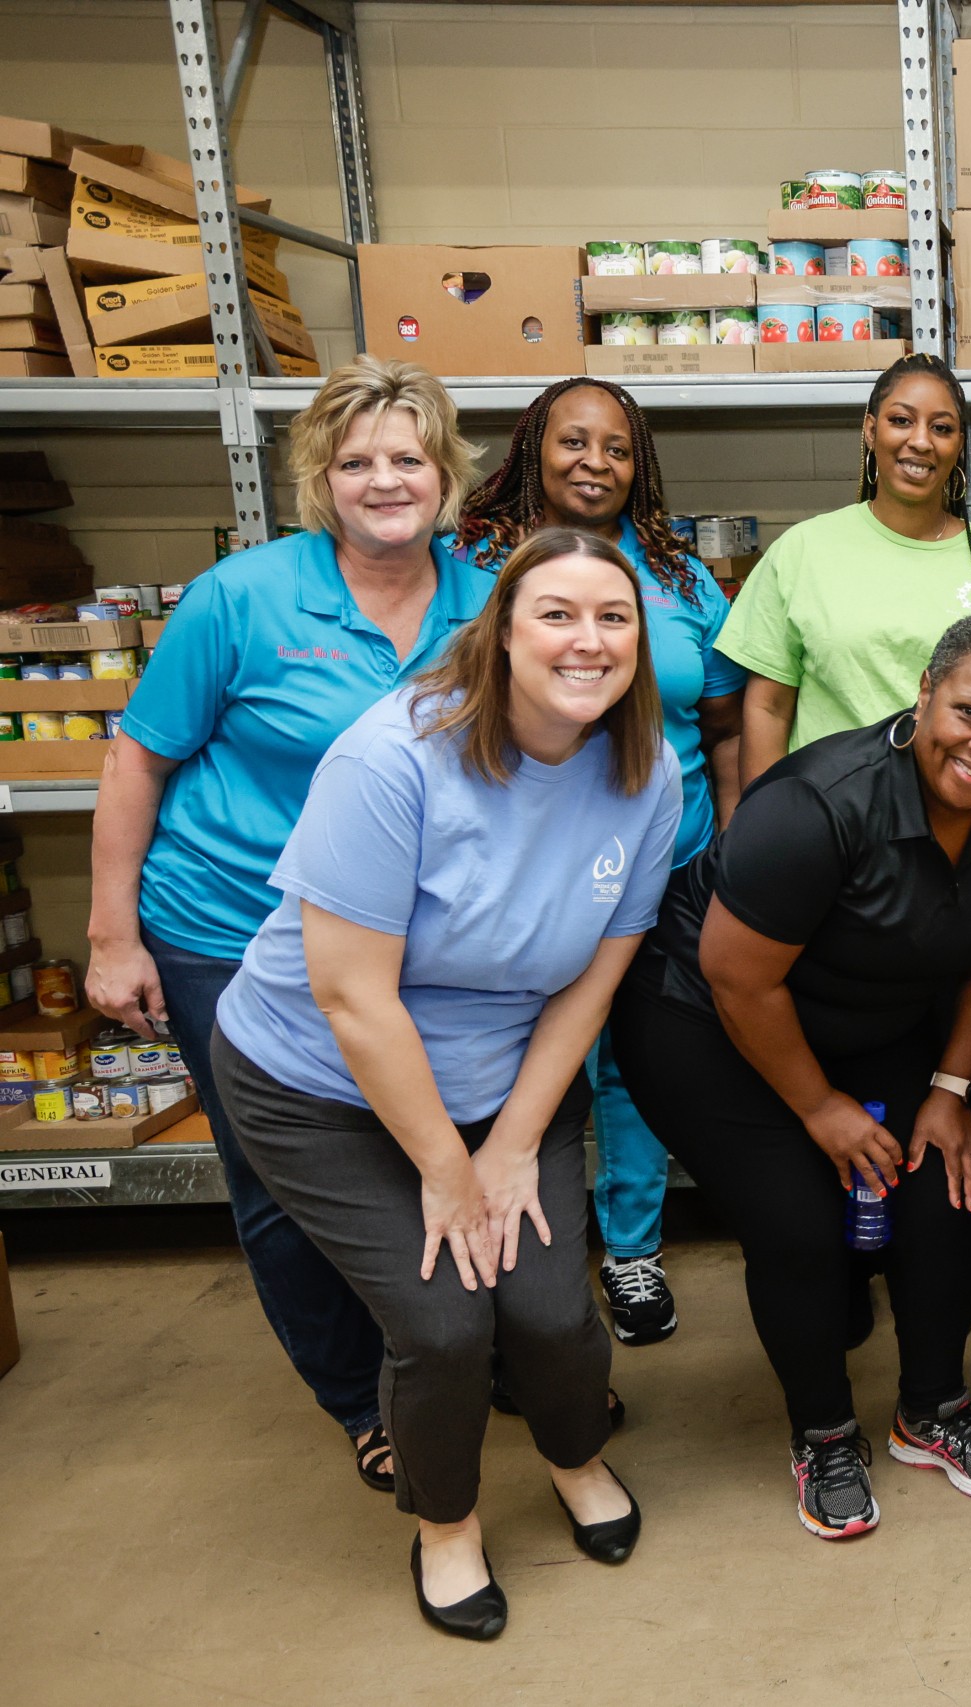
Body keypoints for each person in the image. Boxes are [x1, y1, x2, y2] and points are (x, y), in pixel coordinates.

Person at [207, 528, 679, 1639]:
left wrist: (512, 1145)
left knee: (555, 1313)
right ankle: (448, 1526)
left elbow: (594, 981)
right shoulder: (394, 756)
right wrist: (445, 1169)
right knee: (445, 1324)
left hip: (506, 1077)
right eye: (555, 614)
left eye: (613, 618)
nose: (587, 640)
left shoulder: (642, 767)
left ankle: (574, 1458)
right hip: (321, 1083)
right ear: (500, 633)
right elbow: (353, 1000)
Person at [84, 356, 491, 1495]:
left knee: (432, 1142)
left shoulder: (486, 601)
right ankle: (359, 1396)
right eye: (356, 460)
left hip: (408, 942)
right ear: (321, 478)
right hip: (228, 929)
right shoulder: (243, 597)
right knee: (281, 1179)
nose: (384, 480)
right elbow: (138, 760)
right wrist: (114, 935)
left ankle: (453, 1350)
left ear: (446, 474)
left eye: (407, 457)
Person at [610, 613, 971, 1540]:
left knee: (944, 1188)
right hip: (710, 1021)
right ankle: (822, 1431)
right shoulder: (817, 803)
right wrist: (819, 1109)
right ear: (924, 694)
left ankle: (931, 1409)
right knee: (800, 1223)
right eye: (969, 713)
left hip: (872, 1015)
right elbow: (741, 976)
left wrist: (951, 1090)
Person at [443, 375, 745, 1349]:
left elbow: (726, 718)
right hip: (524, 873)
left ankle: (630, 1253)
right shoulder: (473, 565)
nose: (595, 463)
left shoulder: (682, 577)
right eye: (573, 442)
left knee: (638, 1065)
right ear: (533, 448)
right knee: (522, 1063)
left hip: (670, 868)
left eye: (616, 448)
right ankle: (511, 1243)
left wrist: (730, 844)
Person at [718, 353, 971, 785]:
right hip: (826, 820)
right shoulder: (801, 551)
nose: (921, 442)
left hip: (956, 822)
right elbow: (767, 709)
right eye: (902, 421)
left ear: (959, 444)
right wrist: (771, 826)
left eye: (941, 428)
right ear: (870, 429)